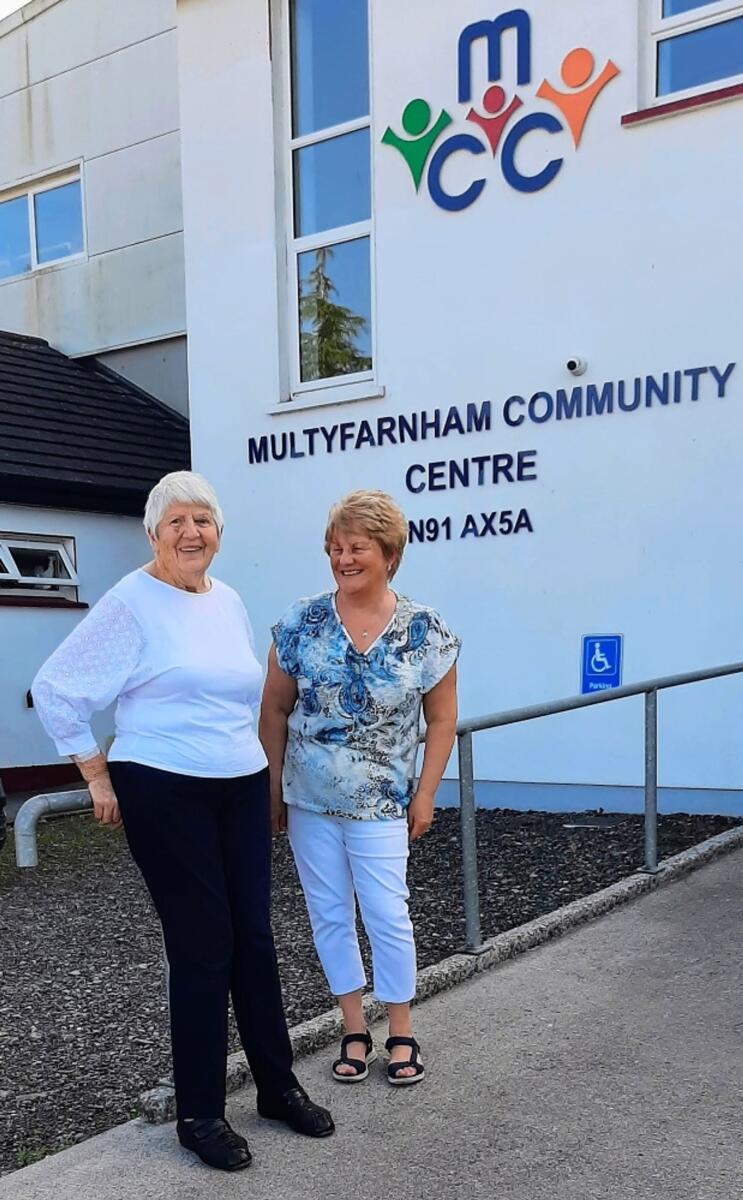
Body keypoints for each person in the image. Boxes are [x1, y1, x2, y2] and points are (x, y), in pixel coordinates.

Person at [32, 470, 334, 1172]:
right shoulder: (131, 602)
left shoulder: (226, 599)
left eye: (203, 520)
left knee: (253, 937)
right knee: (203, 944)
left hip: (238, 781)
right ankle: (200, 1113)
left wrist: (264, 776)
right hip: (163, 785)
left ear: (219, 533)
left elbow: (241, 698)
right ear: (153, 534)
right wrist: (95, 773)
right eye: (176, 522)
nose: (191, 532)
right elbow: (55, 687)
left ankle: (277, 1086)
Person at [260, 490, 459, 1087]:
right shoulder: (300, 623)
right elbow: (274, 710)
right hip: (309, 801)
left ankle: (401, 1030)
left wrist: (426, 793)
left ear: (389, 554)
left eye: (357, 548)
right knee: (328, 914)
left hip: (382, 803)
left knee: (387, 913)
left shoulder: (424, 630)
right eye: (335, 549)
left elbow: (441, 719)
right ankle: (352, 1027)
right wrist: (272, 790)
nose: (343, 560)